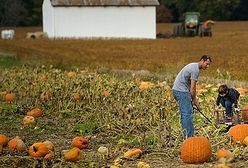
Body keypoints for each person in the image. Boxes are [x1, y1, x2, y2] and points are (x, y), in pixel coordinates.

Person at [172, 55, 212, 138]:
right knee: (187, 114)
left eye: (209, 65)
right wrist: (195, 101)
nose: (207, 66)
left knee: (186, 113)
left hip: (178, 90)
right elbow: (193, 88)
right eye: (207, 64)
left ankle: (187, 135)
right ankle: (189, 137)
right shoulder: (195, 70)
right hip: (181, 91)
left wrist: (192, 100)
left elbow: (190, 85)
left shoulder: (193, 66)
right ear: (202, 61)